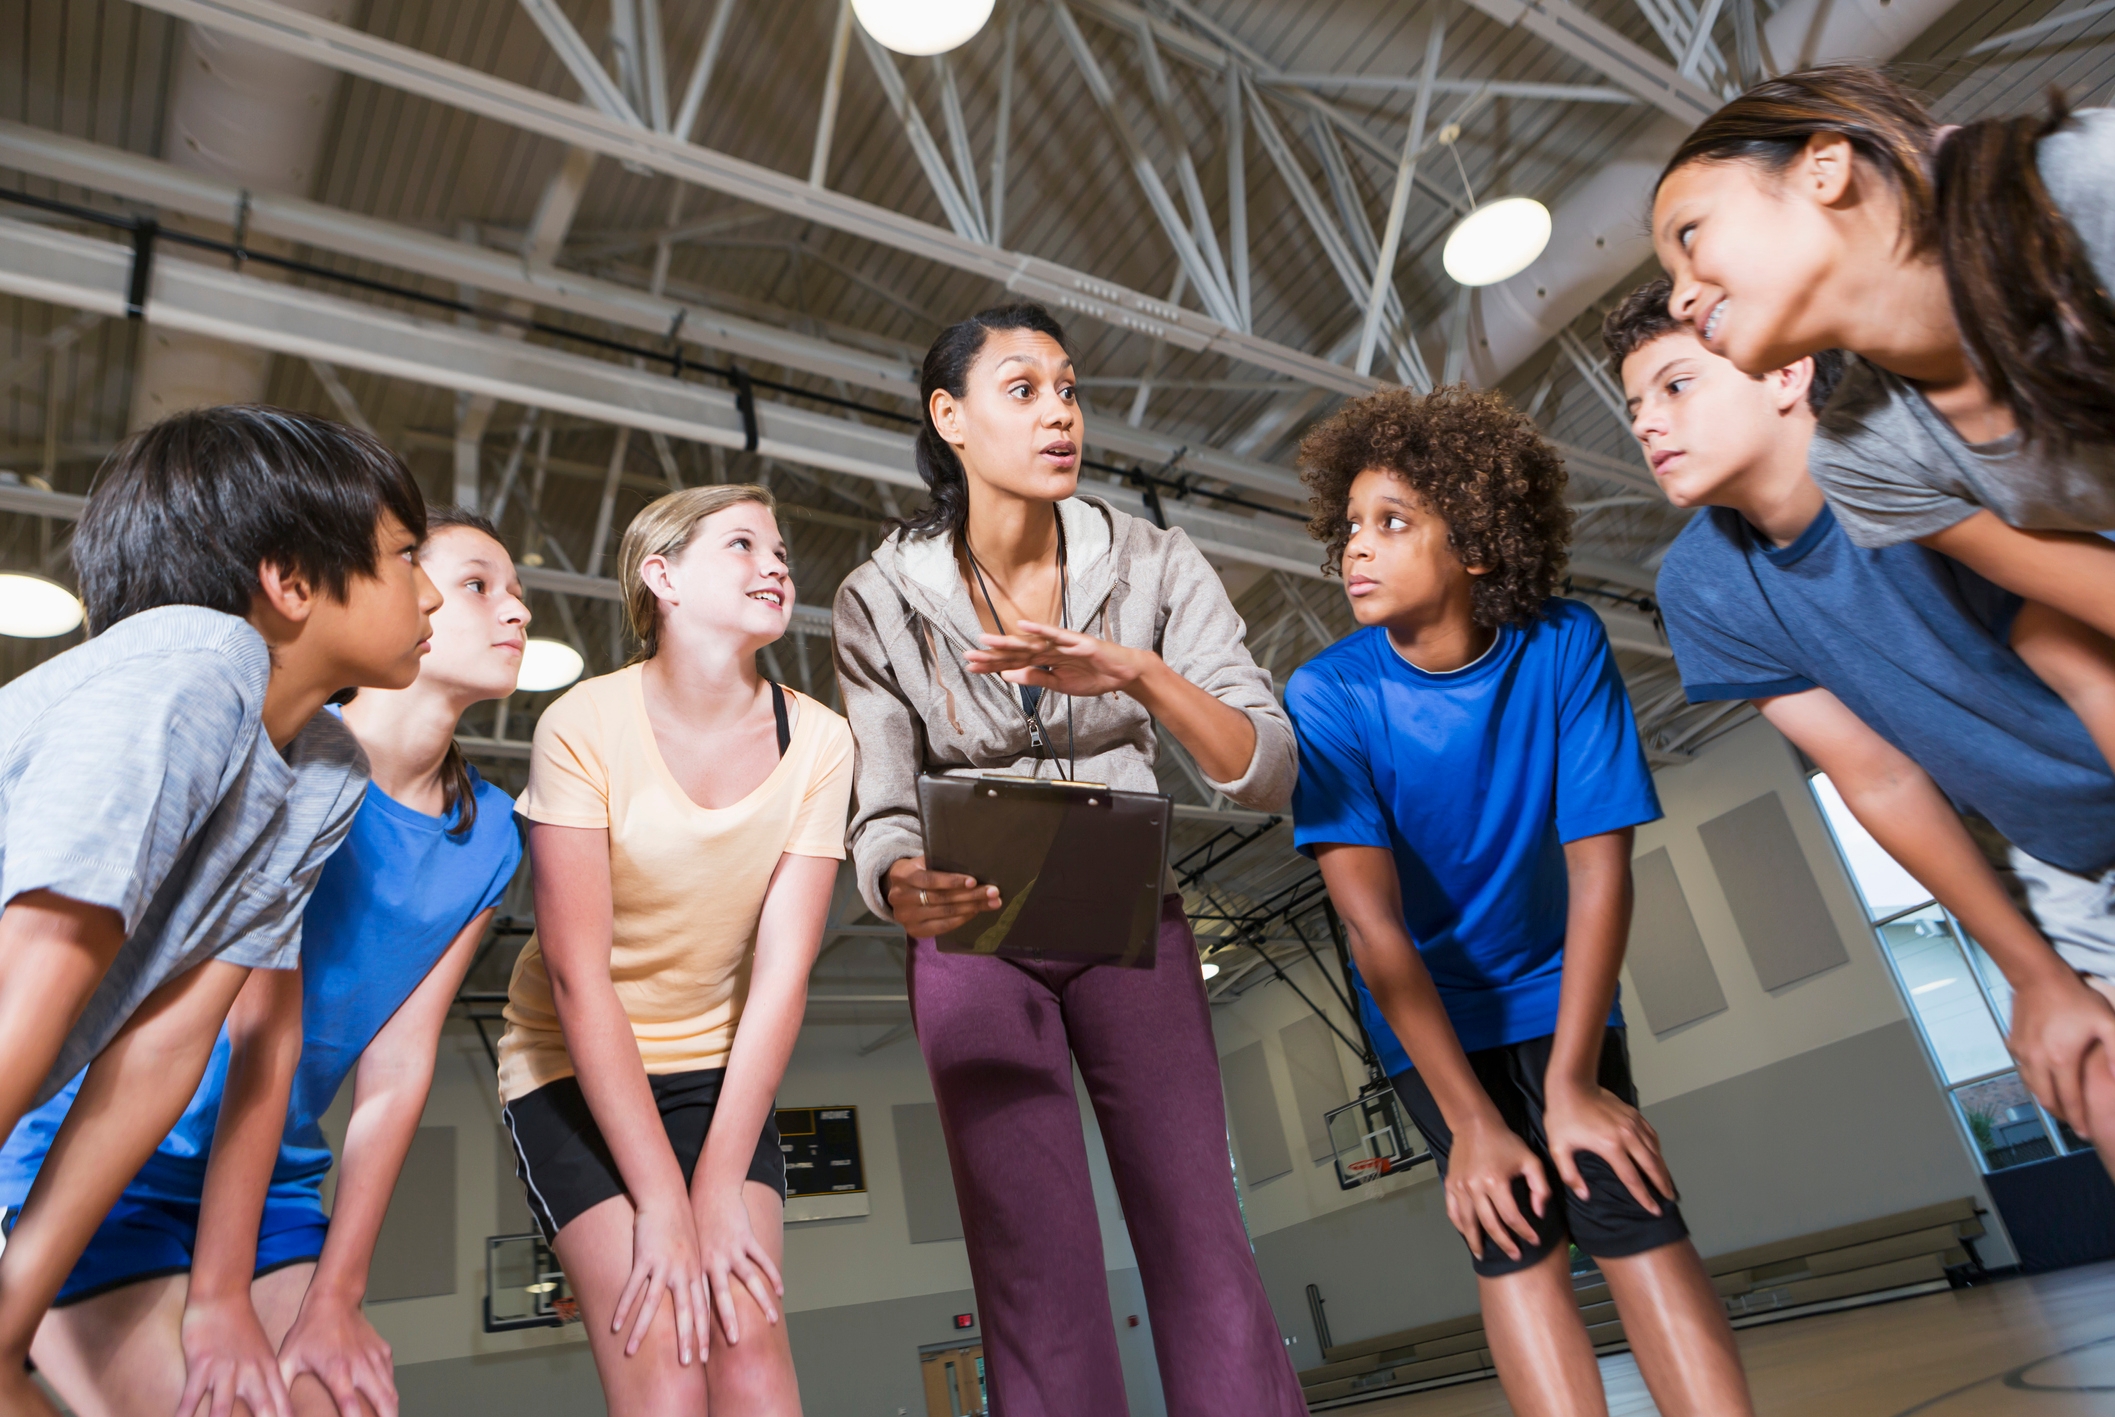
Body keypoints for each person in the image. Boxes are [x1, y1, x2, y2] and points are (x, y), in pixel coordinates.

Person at [833, 302, 1305, 1416]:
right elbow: (881, 806)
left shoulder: (1151, 560)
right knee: (1031, 1267)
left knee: (1201, 1232)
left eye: (1070, 389)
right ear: (949, 417)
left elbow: (1269, 768)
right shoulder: (879, 597)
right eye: (1024, 389)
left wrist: (1140, 675)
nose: (1060, 413)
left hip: (1131, 916)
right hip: (972, 932)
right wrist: (902, 883)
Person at [0, 508, 530, 1417]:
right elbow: (255, 1036)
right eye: (477, 582)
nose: (514, 610)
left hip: (273, 1181)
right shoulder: (297, 760)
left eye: (519, 592)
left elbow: (398, 1072)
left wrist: (336, 1293)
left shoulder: (488, 839)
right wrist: (220, 1298)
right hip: (108, 1156)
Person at [1287, 385, 1754, 1417]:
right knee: (1513, 1234)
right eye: (1350, 525)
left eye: (1392, 522)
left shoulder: (1564, 645)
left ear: (1481, 546)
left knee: (1628, 1202)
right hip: (1427, 1018)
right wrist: (1468, 1125)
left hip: (1558, 990)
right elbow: (1374, 928)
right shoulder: (1329, 693)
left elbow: (1600, 868)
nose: (1355, 547)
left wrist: (1577, 1081)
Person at [1606, 279, 2115, 1182]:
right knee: (2095, 1079)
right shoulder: (1703, 586)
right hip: (2056, 850)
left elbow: (2079, 653)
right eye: (1633, 404)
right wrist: (2032, 973)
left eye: (1676, 385)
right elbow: (1874, 776)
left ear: (1784, 374)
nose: (1645, 423)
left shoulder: (1910, 443)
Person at [499, 486, 849, 1417]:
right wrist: (663, 1198)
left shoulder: (819, 740)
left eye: (779, 548)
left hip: (713, 1066)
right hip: (571, 1068)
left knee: (747, 1339)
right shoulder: (579, 724)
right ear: (662, 577)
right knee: (663, 1345)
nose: (776, 564)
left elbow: (781, 973)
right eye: (742, 544)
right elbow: (578, 978)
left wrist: (720, 1180)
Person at [1650, 65, 2115, 648]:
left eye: (1689, 235)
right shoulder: (1866, 461)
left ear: (1824, 167)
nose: (1680, 297)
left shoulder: (2089, 183)